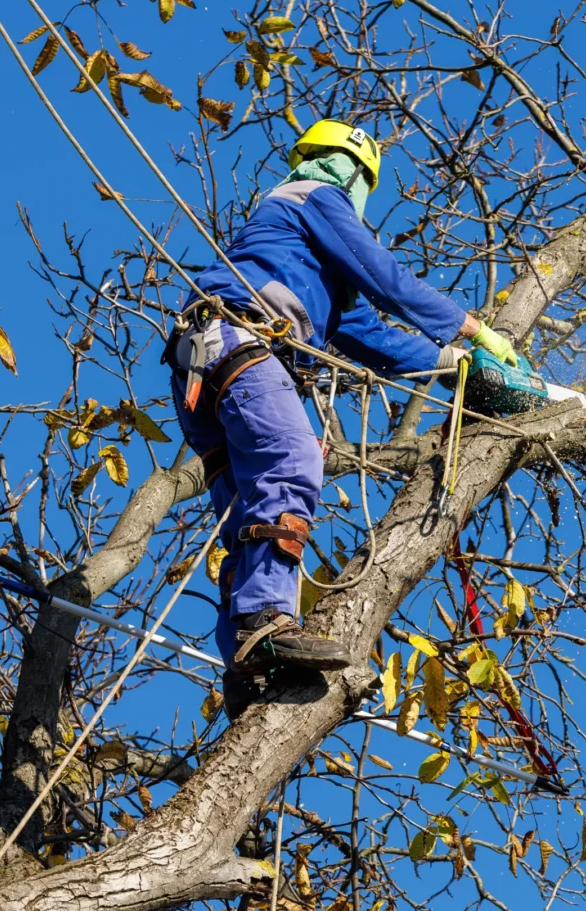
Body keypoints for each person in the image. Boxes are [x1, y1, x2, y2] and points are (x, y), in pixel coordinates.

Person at [165, 119, 519, 715]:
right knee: (292, 459)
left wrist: (453, 362)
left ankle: (246, 665)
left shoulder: (307, 260)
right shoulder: (311, 198)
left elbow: (364, 333)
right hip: (239, 341)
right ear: (348, 170)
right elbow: (385, 277)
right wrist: (472, 327)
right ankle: (264, 620)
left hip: (207, 363)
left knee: (246, 511)